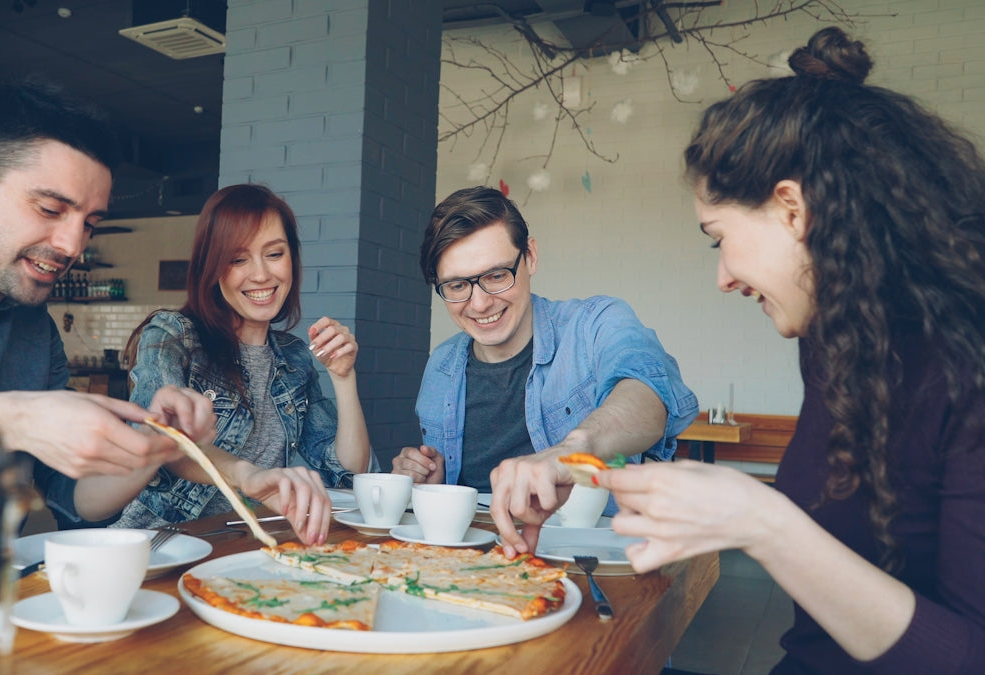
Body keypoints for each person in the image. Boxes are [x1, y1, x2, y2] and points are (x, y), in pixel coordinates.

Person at [574, 27, 985, 672]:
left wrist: (764, 524)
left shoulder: (968, 366)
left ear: (792, 209)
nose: (723, 277)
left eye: (718, 239)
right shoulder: (836, 340)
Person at [0, 80, 330, 543]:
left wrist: (154, 448)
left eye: (90, 222)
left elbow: (79, 501)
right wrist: (12, 419)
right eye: (49, 208)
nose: (72, 244)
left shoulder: (32, 327)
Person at [392, 185, 698, 544]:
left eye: (496, 276)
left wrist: (572, 450)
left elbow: (649, 394)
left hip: (589, 563)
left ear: (531, 257)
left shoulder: (595, 324)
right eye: (458, 285)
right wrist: (430, 482)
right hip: (468, 569)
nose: (478, 304)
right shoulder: (441, 366)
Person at [65, 184, 375, 534]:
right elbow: (169, 442)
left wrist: (343, 378)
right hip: (160, 541)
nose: (261, 274)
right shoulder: (172, 336)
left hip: (242, 543)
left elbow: (347, 469)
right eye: (238, 259)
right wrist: (248, 475)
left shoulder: (293, 358)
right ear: (213, 267)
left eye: (274, 254)